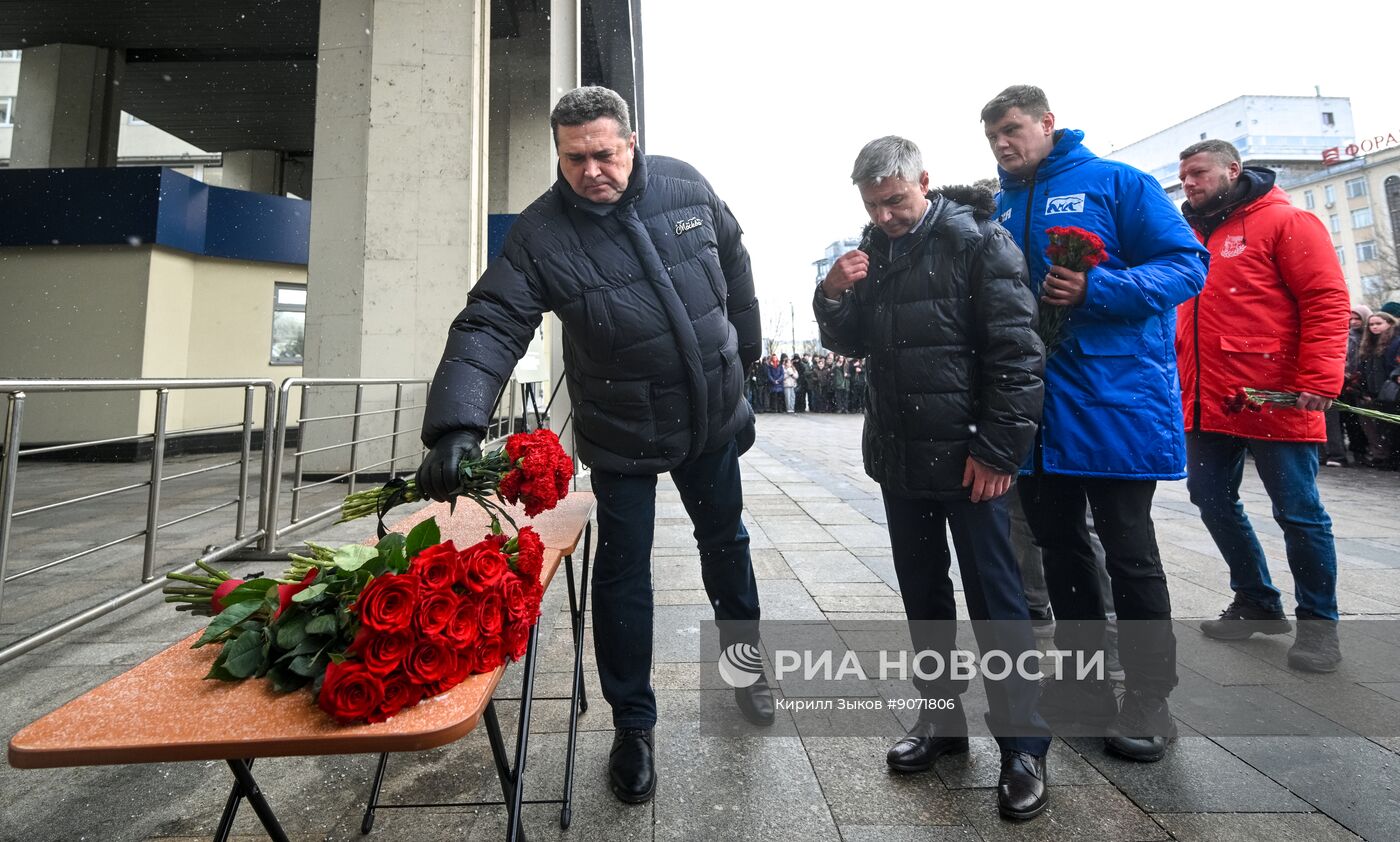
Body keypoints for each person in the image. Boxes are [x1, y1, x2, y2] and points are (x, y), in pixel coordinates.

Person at [414, 86, 773, 806]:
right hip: (622, 430)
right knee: (622, 575)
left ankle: (748, 670)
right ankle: (632, 726)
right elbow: (491, 323)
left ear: (631, 143)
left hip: (710, 421)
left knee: (726, 545)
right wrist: (456, 425)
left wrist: (744, 366)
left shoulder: (686, 185)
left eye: (604, 154)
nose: (592, 171)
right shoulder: (542, 233)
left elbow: (735, 269)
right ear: (559, 155)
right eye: (574, 158)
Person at [815, 135, 1052, 821]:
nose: (885, 215)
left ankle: (1023, 748)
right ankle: (942, 724)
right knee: (924, 600)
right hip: (901, 459)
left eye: (895, 201)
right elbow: (851, 341)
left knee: (998, 607)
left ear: (924, 180)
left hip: (973, 463)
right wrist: (832, 294)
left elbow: (1018, 355)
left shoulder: (980, 243)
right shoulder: (875, 250)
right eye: (873, 205)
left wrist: (1001, 451)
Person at [981, 85, 1207, 763]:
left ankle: (1149, 697)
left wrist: (1097, 289)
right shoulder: (998, 206)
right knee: (1061, 550)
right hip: (1038, 413)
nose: (1002, 144)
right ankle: (1084, 684)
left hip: (1114, 403)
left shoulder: (1118, 184)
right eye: (992, 135)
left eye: (1013, 130)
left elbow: (1188, 264)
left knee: (1130, 552)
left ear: (1048, 124)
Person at [1175, 139, 1350, 673]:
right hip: (1210, 397)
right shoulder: (1191, 234)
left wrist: (1320, 376)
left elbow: (1326, 299)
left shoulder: (1286, 222)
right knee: (1208, 496)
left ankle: (1319, 625)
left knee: (1298, 511)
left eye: (1199, 174)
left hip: (1274, 391)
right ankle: (1256, 599)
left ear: (1233, 170)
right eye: (1183, 177)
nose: (1189, 184)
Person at [1352, 312, 1400, 467]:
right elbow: (1365, 370)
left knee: (1392, 428)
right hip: (1374, 392)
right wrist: (1363, 390)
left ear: (1389, 323)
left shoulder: (1395, 342)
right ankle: (1384, 457)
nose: (1374, 327)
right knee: (1380, 428)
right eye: (1372, 324)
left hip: (1391, 391)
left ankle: (1392, 458)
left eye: (1378, 323)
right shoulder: (1369, 344)